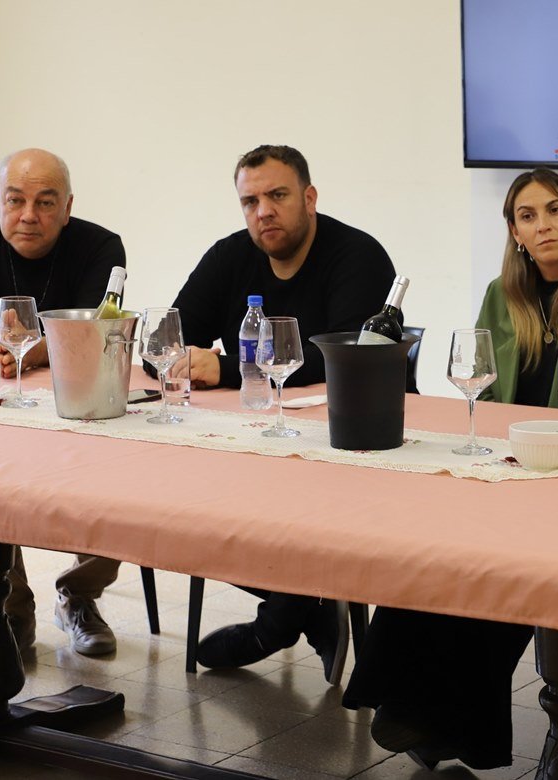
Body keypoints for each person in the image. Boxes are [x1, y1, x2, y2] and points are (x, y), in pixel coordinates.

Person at [342, 168, 558, 770]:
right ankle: (412, 701)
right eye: (526, 216)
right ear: (514, 231)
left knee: (505, 573)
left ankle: (439, 718)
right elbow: (484, 393)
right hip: (508, 463)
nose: (541, 225)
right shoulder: (502, 291)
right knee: (432, 547)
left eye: (552, 210)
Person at [180, 145, 396, 679]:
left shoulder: (359, 257)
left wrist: (225, 369)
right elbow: (170, 338)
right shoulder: (230, 256)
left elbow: (341, 362)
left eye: (277, 196)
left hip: (348, 447)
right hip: (250, 444)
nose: (263, 212)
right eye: (250, 201)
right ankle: (310, 607)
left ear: (309, 198)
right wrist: (181, 357)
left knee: (273, 506)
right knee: (186, 506)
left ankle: (275, 624)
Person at [0, 148, 127, 656]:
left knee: (125, 469)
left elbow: (95, 325)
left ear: (67, 207)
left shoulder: (100, 246)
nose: (29, 216)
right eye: (16, 200)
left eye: (46, 203)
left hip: (77, 399)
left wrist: (30, 348)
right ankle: (9, 608)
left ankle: (80, 593)